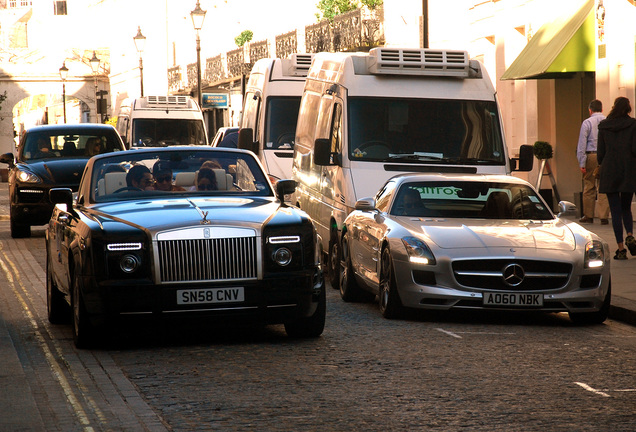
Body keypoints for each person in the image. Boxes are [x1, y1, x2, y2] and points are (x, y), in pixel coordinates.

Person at [597, 96, 636, 260]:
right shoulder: (633, 124)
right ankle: (629, 234)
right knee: (626, 207)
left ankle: (620, 249)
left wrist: (603, 164)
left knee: (615, 210)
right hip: (628, 169)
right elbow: (635, 148)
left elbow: (600, 153)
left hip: (610, 169)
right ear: (628, 108)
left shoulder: (604, 126)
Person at [577, 99, 610, 224]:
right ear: (602, 109)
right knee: (603, 186)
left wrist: (581, 162)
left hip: (591, 155)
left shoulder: (587, 123)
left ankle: (589, 215)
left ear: (590, 110)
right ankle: (603, 216)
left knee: (589, 185)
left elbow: (582, 143)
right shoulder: (607, 122)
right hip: (605, 156)